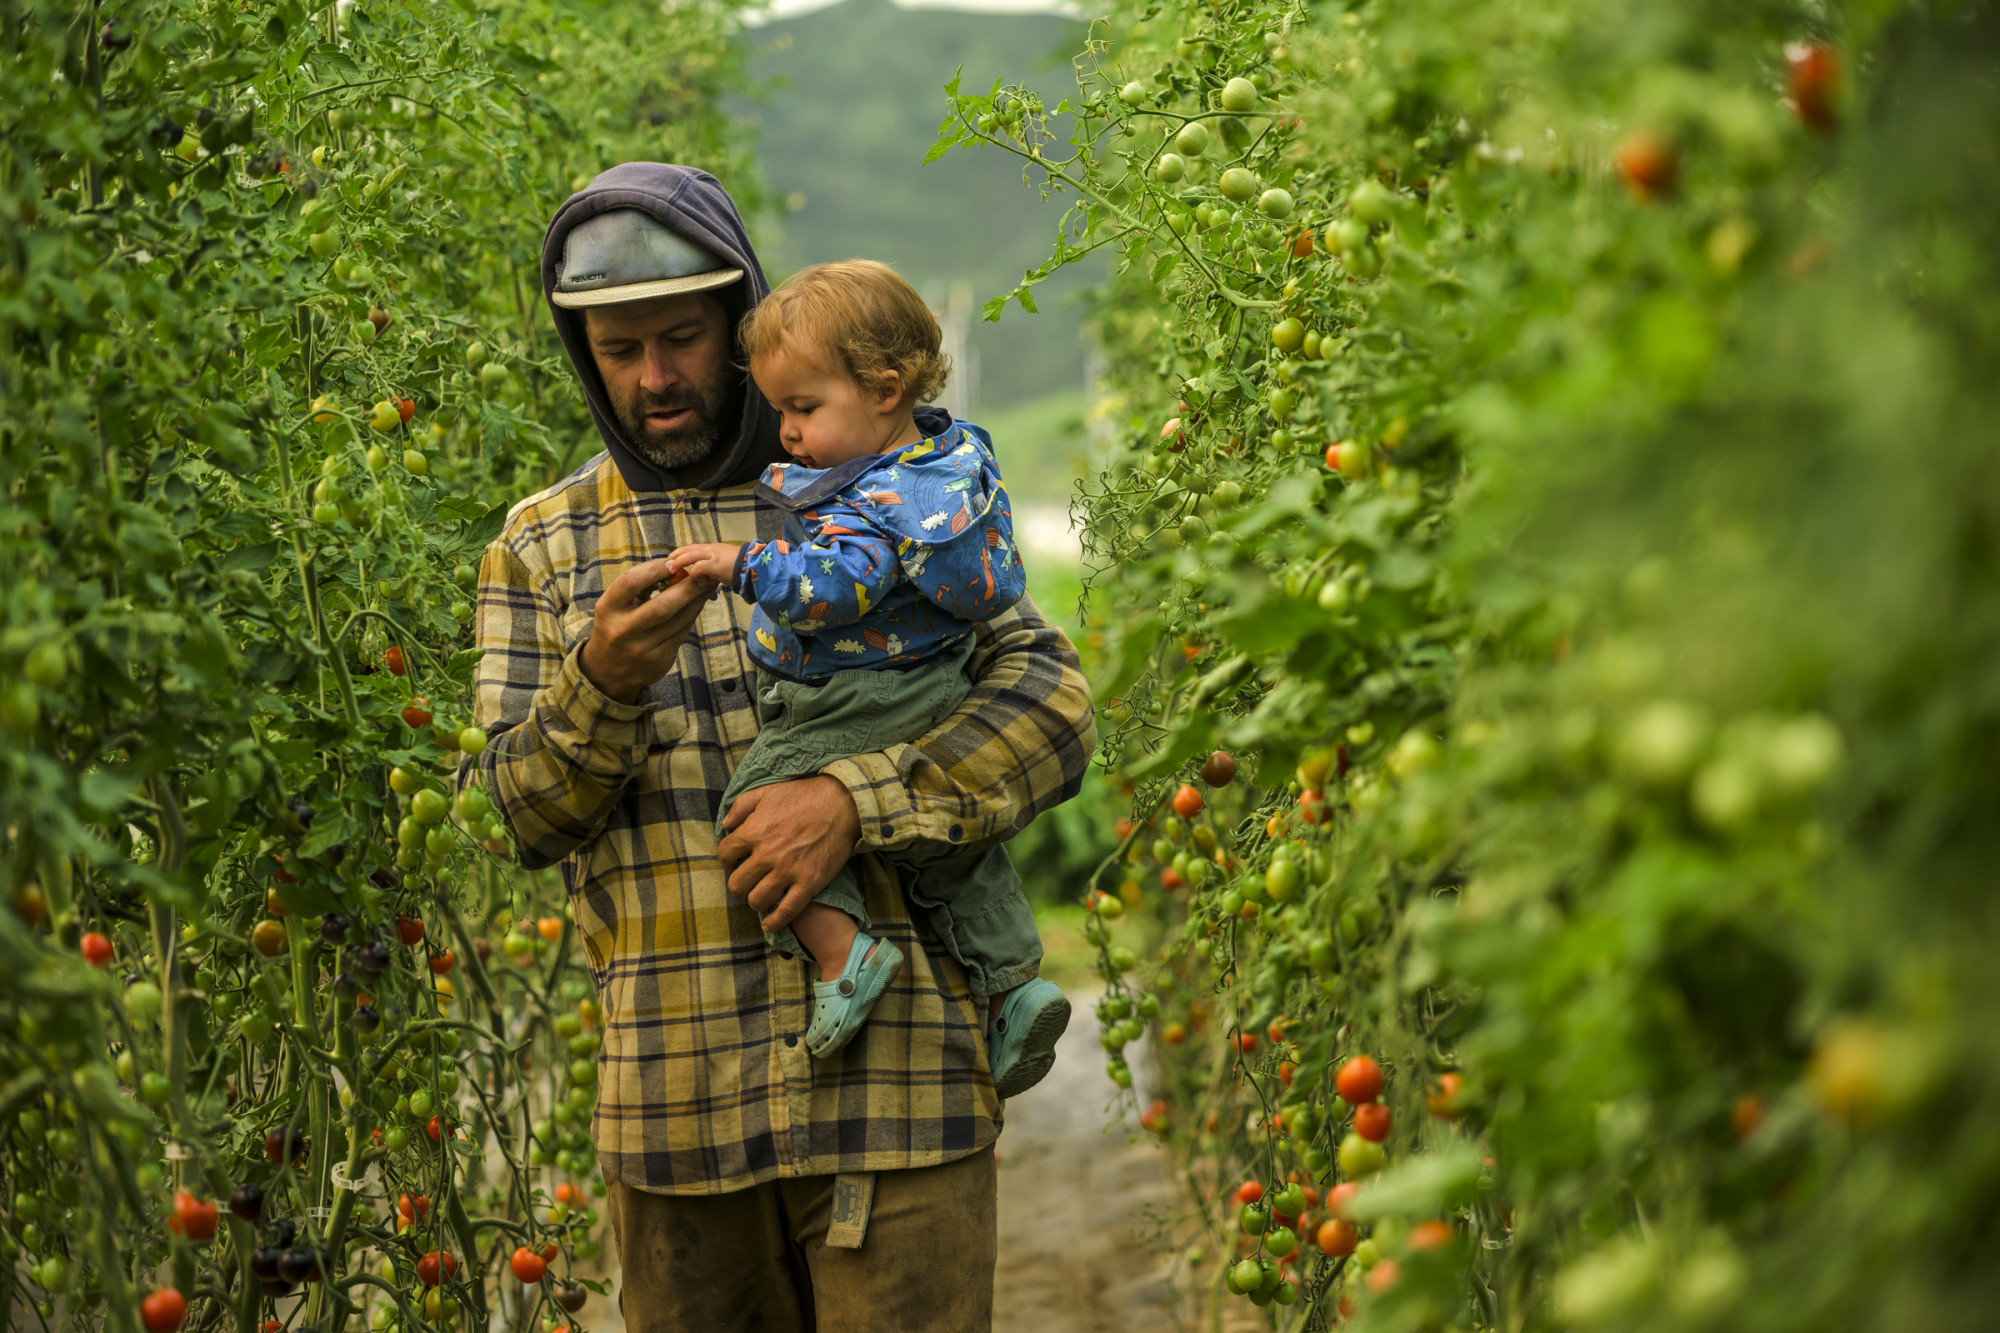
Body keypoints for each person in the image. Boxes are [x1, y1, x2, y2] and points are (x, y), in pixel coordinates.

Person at [469, 162, 1096, 1332]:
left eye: (680, 338)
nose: (653, 377)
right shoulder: (544, 549)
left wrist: (859, 800)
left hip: (900, 1102)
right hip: (677, 1117)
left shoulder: (870, 481)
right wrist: (600, 683)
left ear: (738, 322)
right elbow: (515, 813)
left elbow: (1052, 710)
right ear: (582, 355)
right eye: (618, 350)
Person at [667, 259, 1071, 1090]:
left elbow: (832, 589)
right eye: (781, 409)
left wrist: (742, 564)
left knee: (753, 811)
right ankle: (1014, 988)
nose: (786, 432)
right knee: (958, 860)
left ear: (885, 390)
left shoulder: (867, 499)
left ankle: (843, 954)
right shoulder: (942, 472)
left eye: (803, 408)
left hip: (859, 692)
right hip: (936, 684)